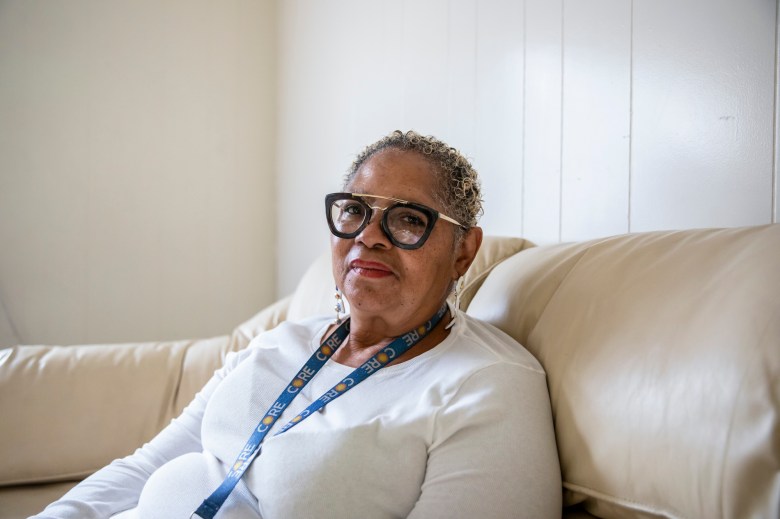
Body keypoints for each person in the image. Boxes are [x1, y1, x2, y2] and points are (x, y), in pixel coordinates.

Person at [34, 130, 561, 519]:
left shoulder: (488, 384)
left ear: (464, 251)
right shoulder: (279, 344)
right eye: (356, 210)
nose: (369, 236)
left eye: (406, 219)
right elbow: (145, 467)